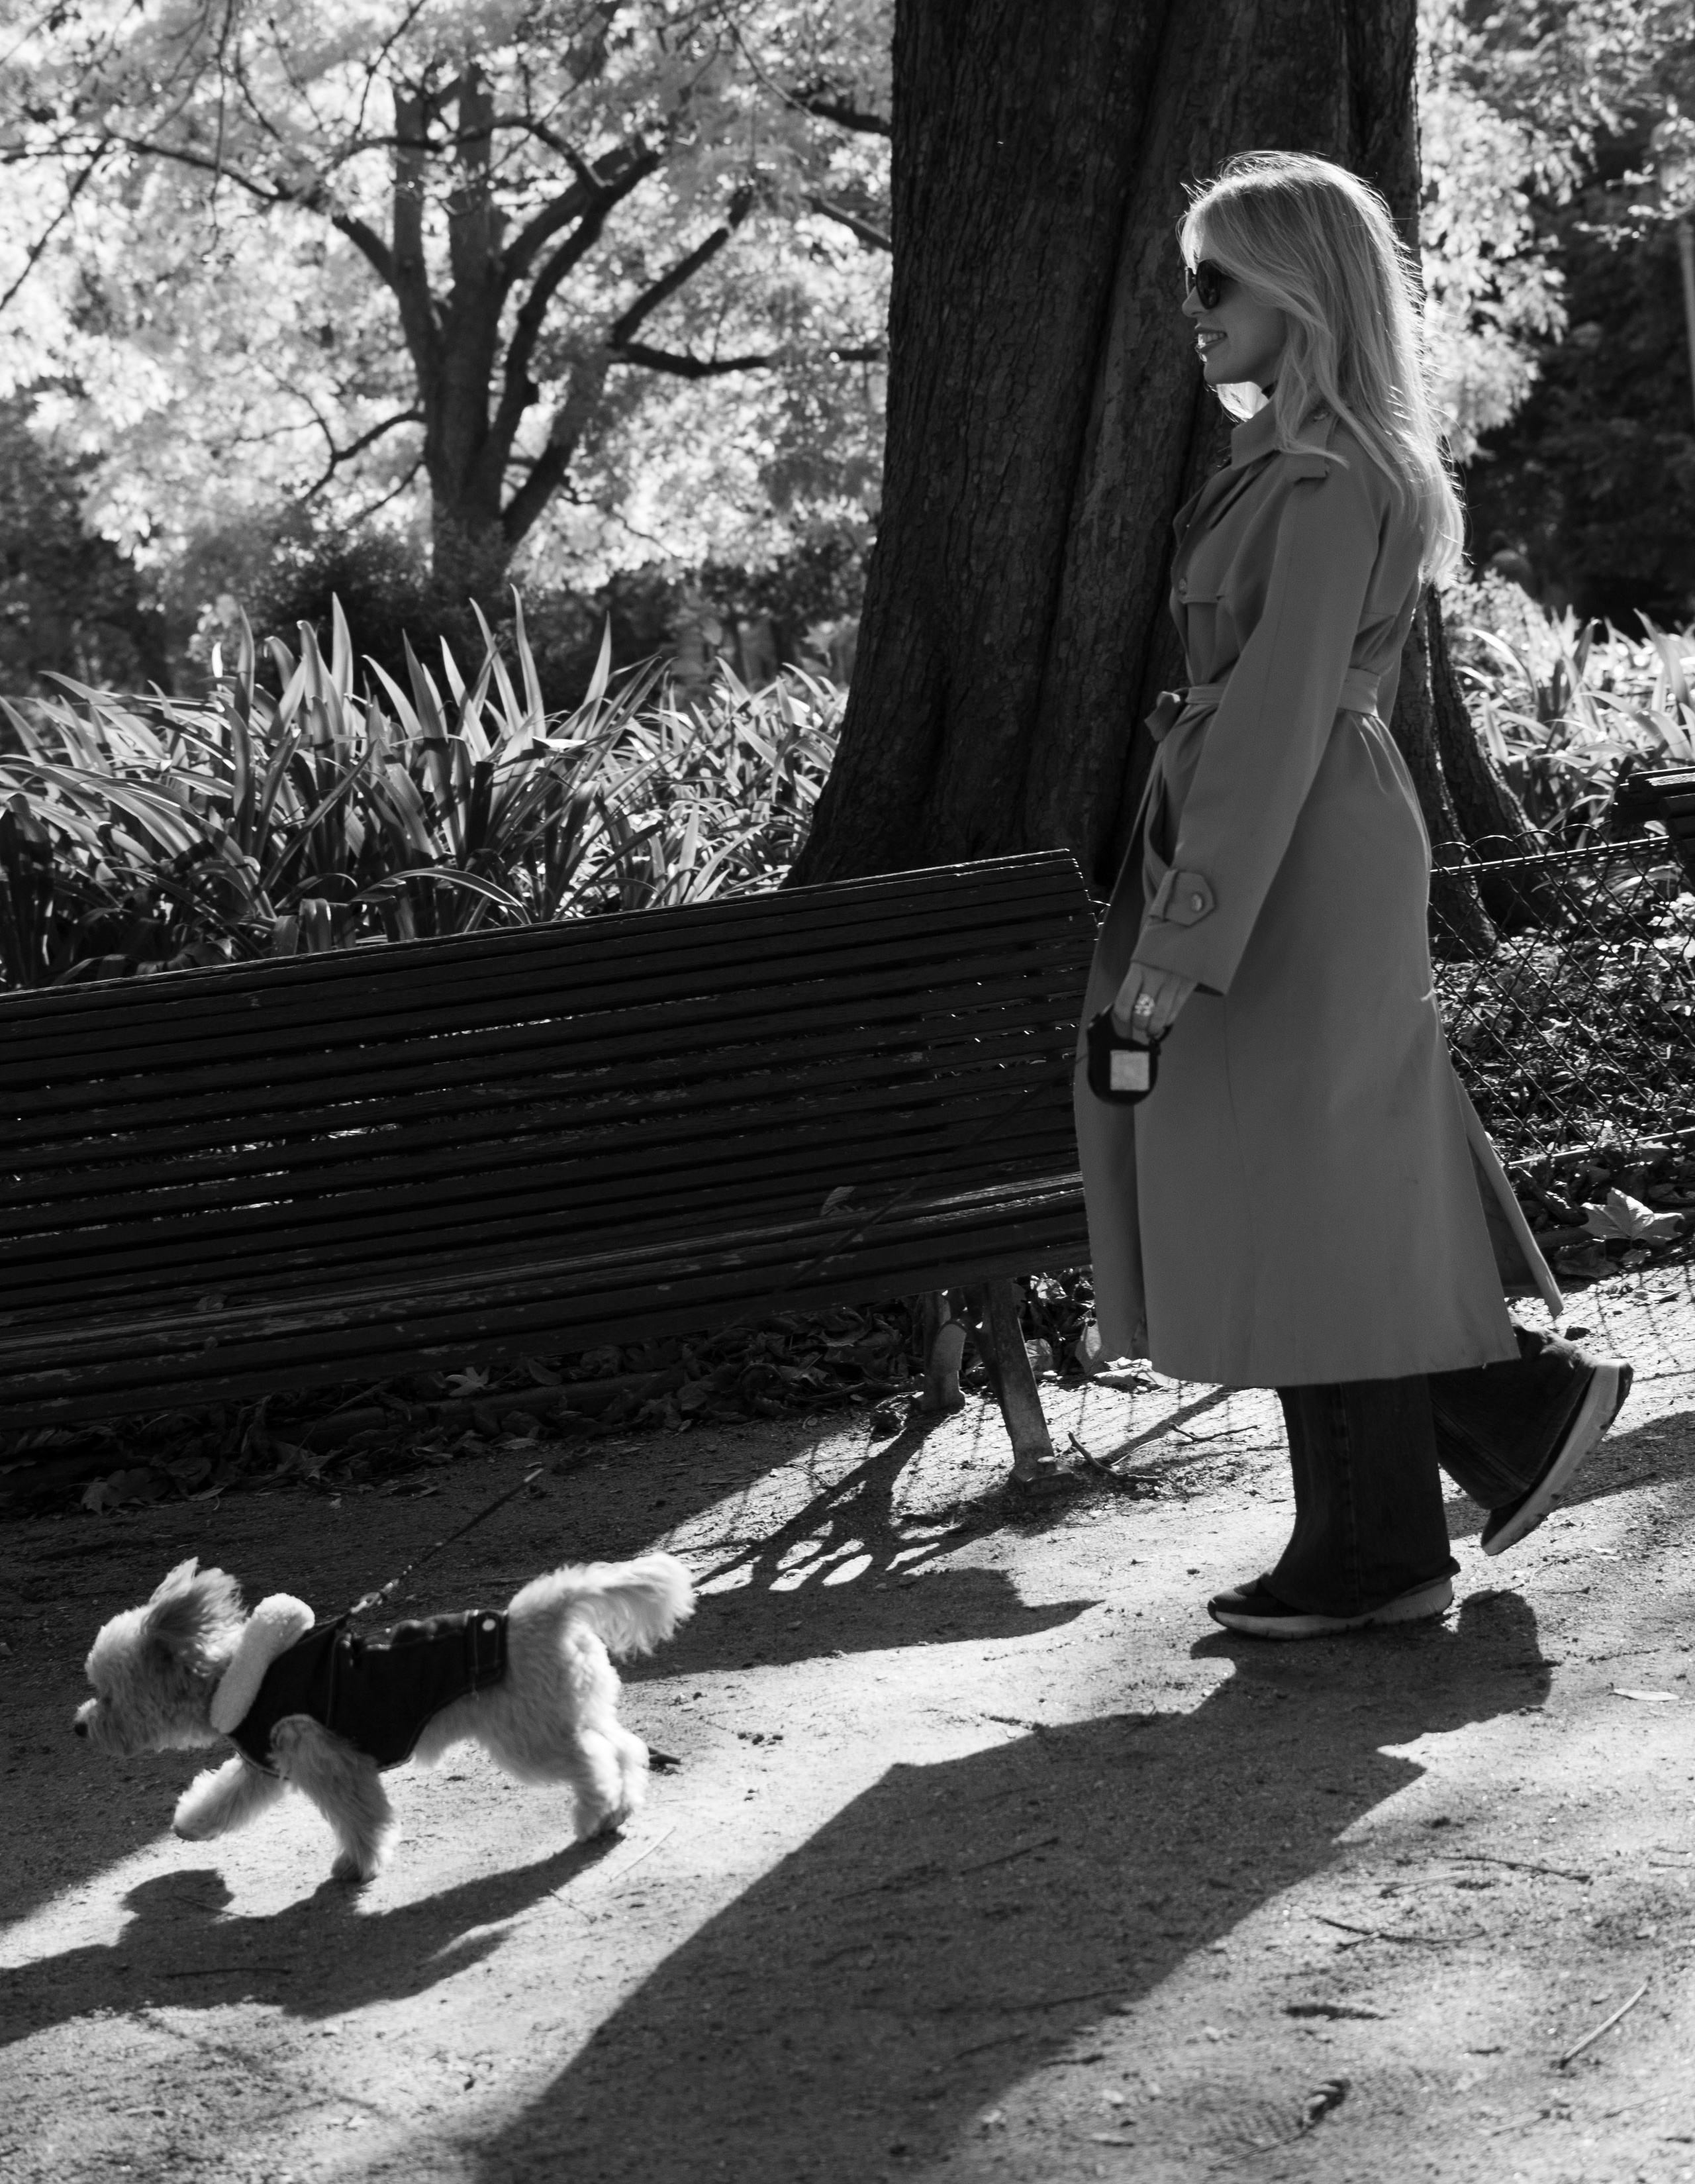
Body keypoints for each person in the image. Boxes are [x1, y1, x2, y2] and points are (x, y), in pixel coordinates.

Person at [1073, 151, 1631, 1640]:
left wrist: (1181, 937)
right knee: (1306, 1182)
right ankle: (1436, 1480)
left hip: (1295, 845)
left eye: (1216, 278)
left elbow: (1271, 720)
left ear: (1299, 290)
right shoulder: (1292, 463)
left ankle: (1407, 1511)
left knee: (1309, 1181)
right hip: (1294, 834)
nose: (1191, 307)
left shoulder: (1323, 480)